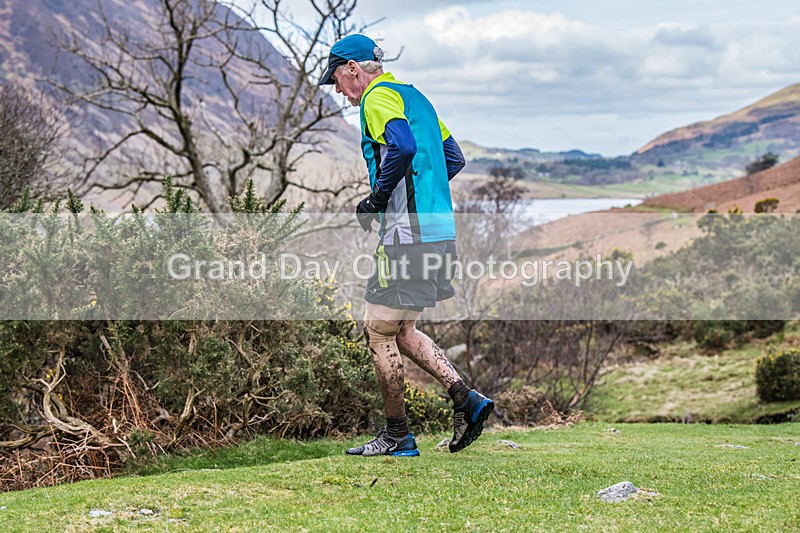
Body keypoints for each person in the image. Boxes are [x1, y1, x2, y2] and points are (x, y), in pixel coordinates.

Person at [319, 34, 494, 456]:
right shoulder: (417, 98)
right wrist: (420, 193)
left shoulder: (377, 98)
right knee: (401, 329)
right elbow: (453, 158)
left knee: (377, 331)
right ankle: (465, 399)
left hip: (406, 236)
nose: (341, 92)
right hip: (437, 232)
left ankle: (397, 434)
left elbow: (402, 145)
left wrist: (379, 200)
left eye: (339, 81)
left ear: (354, 69)